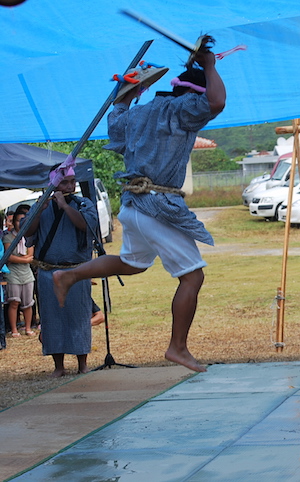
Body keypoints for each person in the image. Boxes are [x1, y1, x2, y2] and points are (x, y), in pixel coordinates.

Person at [53, 48, 226, 373]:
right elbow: (216, 102)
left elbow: (116, 116)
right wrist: (210, 65)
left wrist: (130, 90)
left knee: (133, 263)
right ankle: (177, 347)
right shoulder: (181, 107)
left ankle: (71, 274)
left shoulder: (137, 113)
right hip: (156, 207)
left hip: (133, 206)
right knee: (193, 276)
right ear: (194, 94)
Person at [24, 168, 99, 377]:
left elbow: (86, 225)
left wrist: (65, 205)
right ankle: (59, 366)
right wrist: (40, 209)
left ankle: (82, 363)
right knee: (51, 318)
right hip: (48, 271)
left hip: (75, 270)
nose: (70, 186)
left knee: (79, 316)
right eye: (65, 182)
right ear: (54, 184)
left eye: (73, 181)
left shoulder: (83, 204)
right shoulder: (40, 205)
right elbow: (27, 231)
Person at [2, 211, 35, 337]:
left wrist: (25, 259)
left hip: (27, 273)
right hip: (13, 273)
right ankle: (14, 329)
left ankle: (27, 328)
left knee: (28, 302)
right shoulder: (8, 237)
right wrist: (25, 259)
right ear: (13, 222)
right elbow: (9, 256)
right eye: (18, 220)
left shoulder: (28, 237)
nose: (20, 223)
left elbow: (31, 254)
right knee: (14, 302)